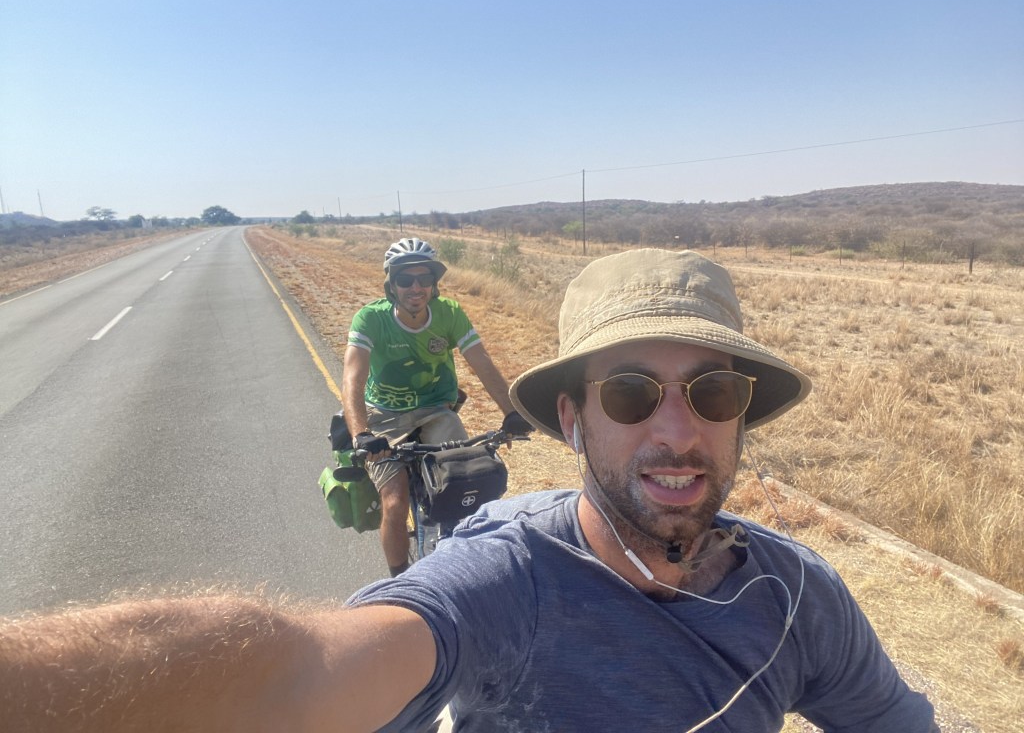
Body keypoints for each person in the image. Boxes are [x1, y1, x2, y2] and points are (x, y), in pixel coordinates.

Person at [0, 249, 938, 732]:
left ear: (741, 418)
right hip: (393, 421)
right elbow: (293, 671)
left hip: (444, 411)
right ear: (575, 420)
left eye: (714, 392)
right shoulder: (506, 580)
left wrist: (502, 408)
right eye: (630, 393)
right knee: (404, 501)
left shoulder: (796, 593)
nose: (678, 430)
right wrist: (362, 432)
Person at [342, 237, 532, 576]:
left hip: (436, 410)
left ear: (434, 283)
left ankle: (470, 558)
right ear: (392, 284)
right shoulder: (370, 319)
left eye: (424, 279)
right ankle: (400, 579)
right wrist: (361, 434)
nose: (415, 287)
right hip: (385, 417)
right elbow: (352, 379)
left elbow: (482, 363)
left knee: (468, 483)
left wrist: (511, 411)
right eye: (405, 280)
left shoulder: (450, 314)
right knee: (395, 502)